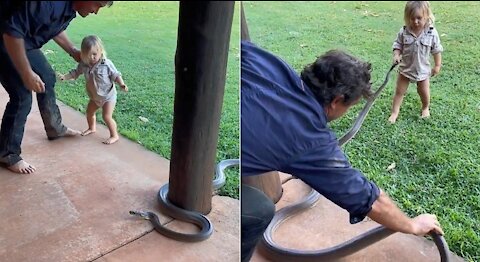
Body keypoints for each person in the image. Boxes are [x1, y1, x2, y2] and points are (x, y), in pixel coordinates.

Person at [240, 40, 444, 262]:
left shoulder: (268, 61)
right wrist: (412, 225)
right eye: (350, 106)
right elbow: (370, 200)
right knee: (258, 210)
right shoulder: (309, 141)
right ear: (337, 101)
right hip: (200, 163)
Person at [0, 1, 113, 174]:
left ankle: (55, 127)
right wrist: (26, 73)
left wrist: (73, 50)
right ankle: (8, 154)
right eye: (97, 5)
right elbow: (11, 32)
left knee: (47, 76)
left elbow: (53, 26)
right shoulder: (50, 3)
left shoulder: (68, 7)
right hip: (6, 39)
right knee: (22, 96)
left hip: (23, 40)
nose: (96, 11)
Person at [59, 35, 128, 145]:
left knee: (106, 116)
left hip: (108, 96)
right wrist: (65, 77)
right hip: (94, 96)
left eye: (94, 54)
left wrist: (121, 84)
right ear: (83, 54)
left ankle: (114, 135)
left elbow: (115, 74)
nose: (92, 57)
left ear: (101, 51)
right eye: (88, 55)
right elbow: (75, 73)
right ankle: (92, 128)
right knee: (89, 112)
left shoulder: (106, 64)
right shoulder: (84, 65)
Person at [388, 1, 443, 124]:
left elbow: (437, 50)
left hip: (423, 70)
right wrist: (396, 55)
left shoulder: (431, 33)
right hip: (405, 69)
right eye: (412, 18)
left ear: (427, 16)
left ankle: (425, 107)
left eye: (419, 18)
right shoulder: (404, 31)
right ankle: (394, 112)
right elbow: (398, 45)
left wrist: (437, 65)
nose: (415, 22)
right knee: (399, 92)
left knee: (423, 92)